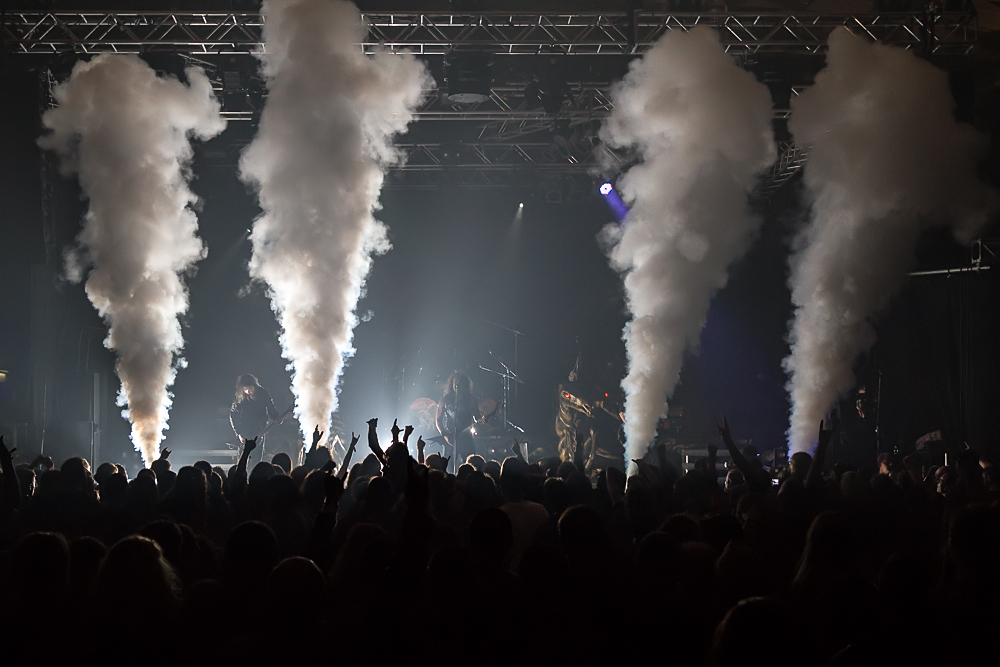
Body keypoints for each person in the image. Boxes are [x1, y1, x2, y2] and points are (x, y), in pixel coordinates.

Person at [230, 374, 284, 459]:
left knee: (256, 456)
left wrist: (276, 417)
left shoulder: (263, 393)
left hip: (260, 430)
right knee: (243, 457)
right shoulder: (239, 397)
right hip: (245, 431)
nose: (248, 391)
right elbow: (233, 416)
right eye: (245, 389)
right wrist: (239, 433)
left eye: (250, 388)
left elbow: (271, 407)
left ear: (254, 386)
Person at [435, 372, 482, 466]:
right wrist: (445, 435)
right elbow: (438, 420)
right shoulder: (445, 400)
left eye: (460, 382)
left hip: (466, 437)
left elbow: (478, 418)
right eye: (455, 382)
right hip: (450, 437)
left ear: (465, 385)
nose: (457, 384)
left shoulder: (471, 400)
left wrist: (483, 420)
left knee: (471, 464)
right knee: (447, 466)